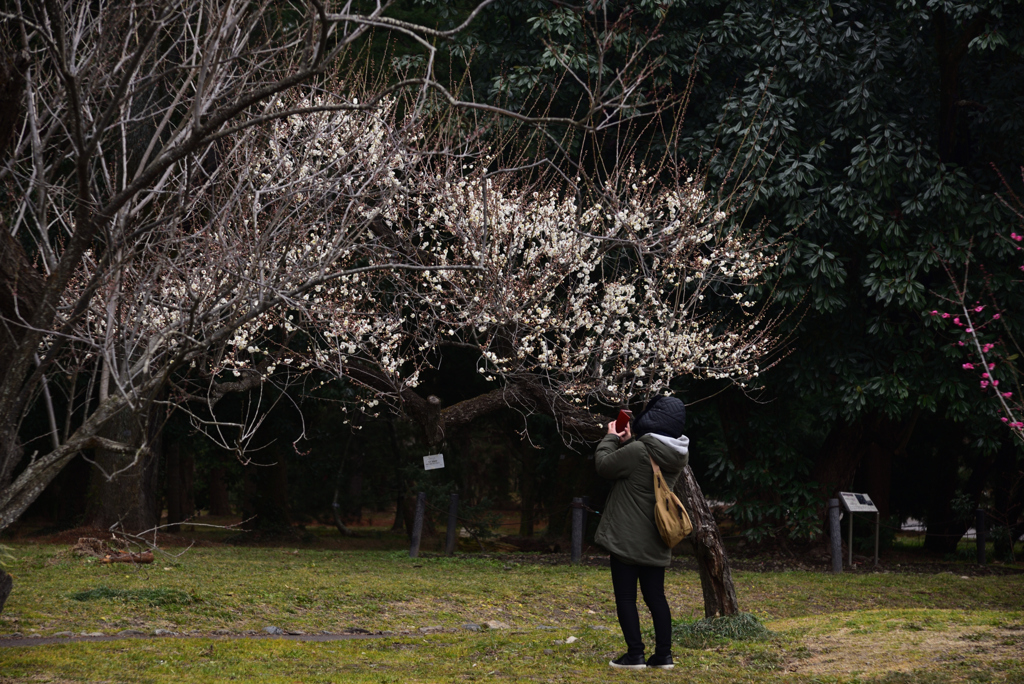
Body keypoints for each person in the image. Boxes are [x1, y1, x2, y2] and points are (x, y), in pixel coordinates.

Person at [593, 395, 689, 670]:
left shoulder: (638, 452)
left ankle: (635, 654)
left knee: (626, 597)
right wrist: (629, 443)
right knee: (655, 596)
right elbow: (646, 464)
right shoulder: (678, 455)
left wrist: (611, 437)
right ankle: (664, 656)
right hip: (657, 537)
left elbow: (604, 465)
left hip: (626, 537)